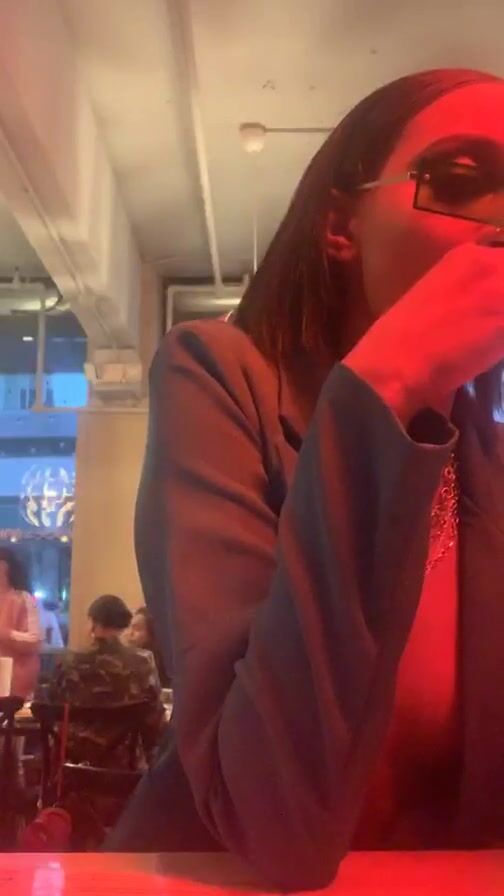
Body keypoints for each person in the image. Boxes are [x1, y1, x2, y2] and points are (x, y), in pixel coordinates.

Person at [108, 69, 504, 888]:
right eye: (462, 179)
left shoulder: (487, 460)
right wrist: (387, 387)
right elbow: (274, 821)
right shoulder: (219, 374)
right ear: (339, 226)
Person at [48, 594, 165, 768]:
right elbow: (154, 716)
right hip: (127, 764)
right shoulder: (143, 661)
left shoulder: (67, 661)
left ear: (93, 623)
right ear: (124, 623)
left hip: (73, 762)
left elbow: (52, 705)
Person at [0, 547, 41, 699]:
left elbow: (33, 639)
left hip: (14, 686)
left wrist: (5, 633)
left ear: (4, 567)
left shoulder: (22, 599)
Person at [126, 607, 171, 687]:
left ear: (152, 632)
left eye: (137, 629)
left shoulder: (165, 661)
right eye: (129, 627)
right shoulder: (127, 656)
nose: (130, 633)